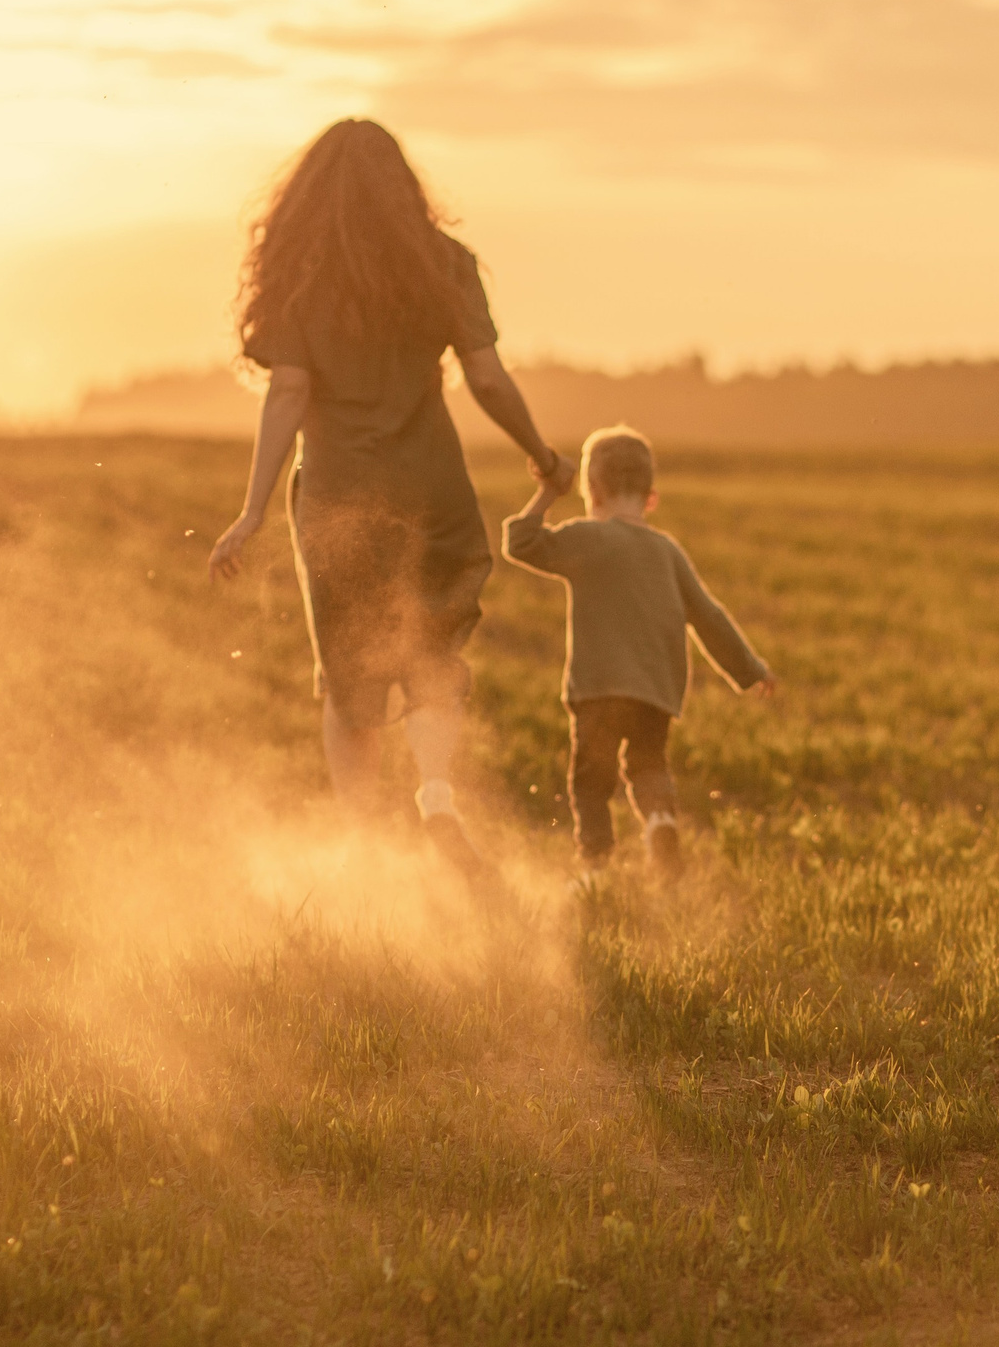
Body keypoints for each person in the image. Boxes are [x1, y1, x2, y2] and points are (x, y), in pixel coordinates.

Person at [207, 120, 575, 870]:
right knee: (433, 656)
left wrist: (251, 512)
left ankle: (365, 851)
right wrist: (541, 455)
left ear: (308, 196)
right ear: (403, 187)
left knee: (350, 684)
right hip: (431, 494)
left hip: (338, 502)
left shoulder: (301, 280)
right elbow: (486, 378)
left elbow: (288, 394)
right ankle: (436, 794)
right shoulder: (444, 265)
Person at [502, 426, 774, 880]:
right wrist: (751, 669)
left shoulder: (589, 538)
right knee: (648, 766)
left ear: (593, 492)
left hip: (598, 689)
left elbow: (521, 543)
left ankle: (595, 868)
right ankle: (661, 822)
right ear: (652, 498)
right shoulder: (667, 551)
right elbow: (708, 616)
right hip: (655, 691)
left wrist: (548, 493)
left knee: (592, 781)